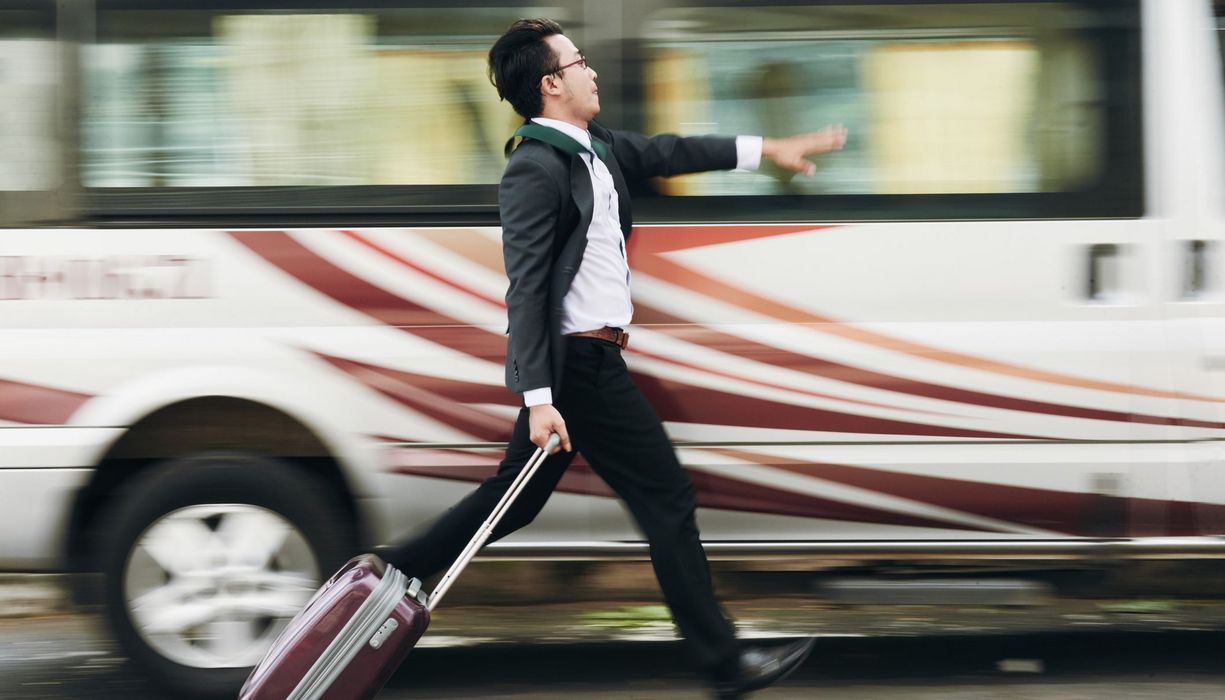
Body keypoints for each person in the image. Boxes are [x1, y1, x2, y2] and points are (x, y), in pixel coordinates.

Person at [376, 18, 847, 699]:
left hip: (591, 363)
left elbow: (667, 151)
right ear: (551, 84)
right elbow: (528, 290)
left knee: (511, 503)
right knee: (665, 499)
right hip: (577, 368)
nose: (592, 71)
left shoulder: (593, 147)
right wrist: (539, 400)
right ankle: (722, 664)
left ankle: (386, 572)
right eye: (578, 61)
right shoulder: (534, 167)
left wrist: (765, 148)